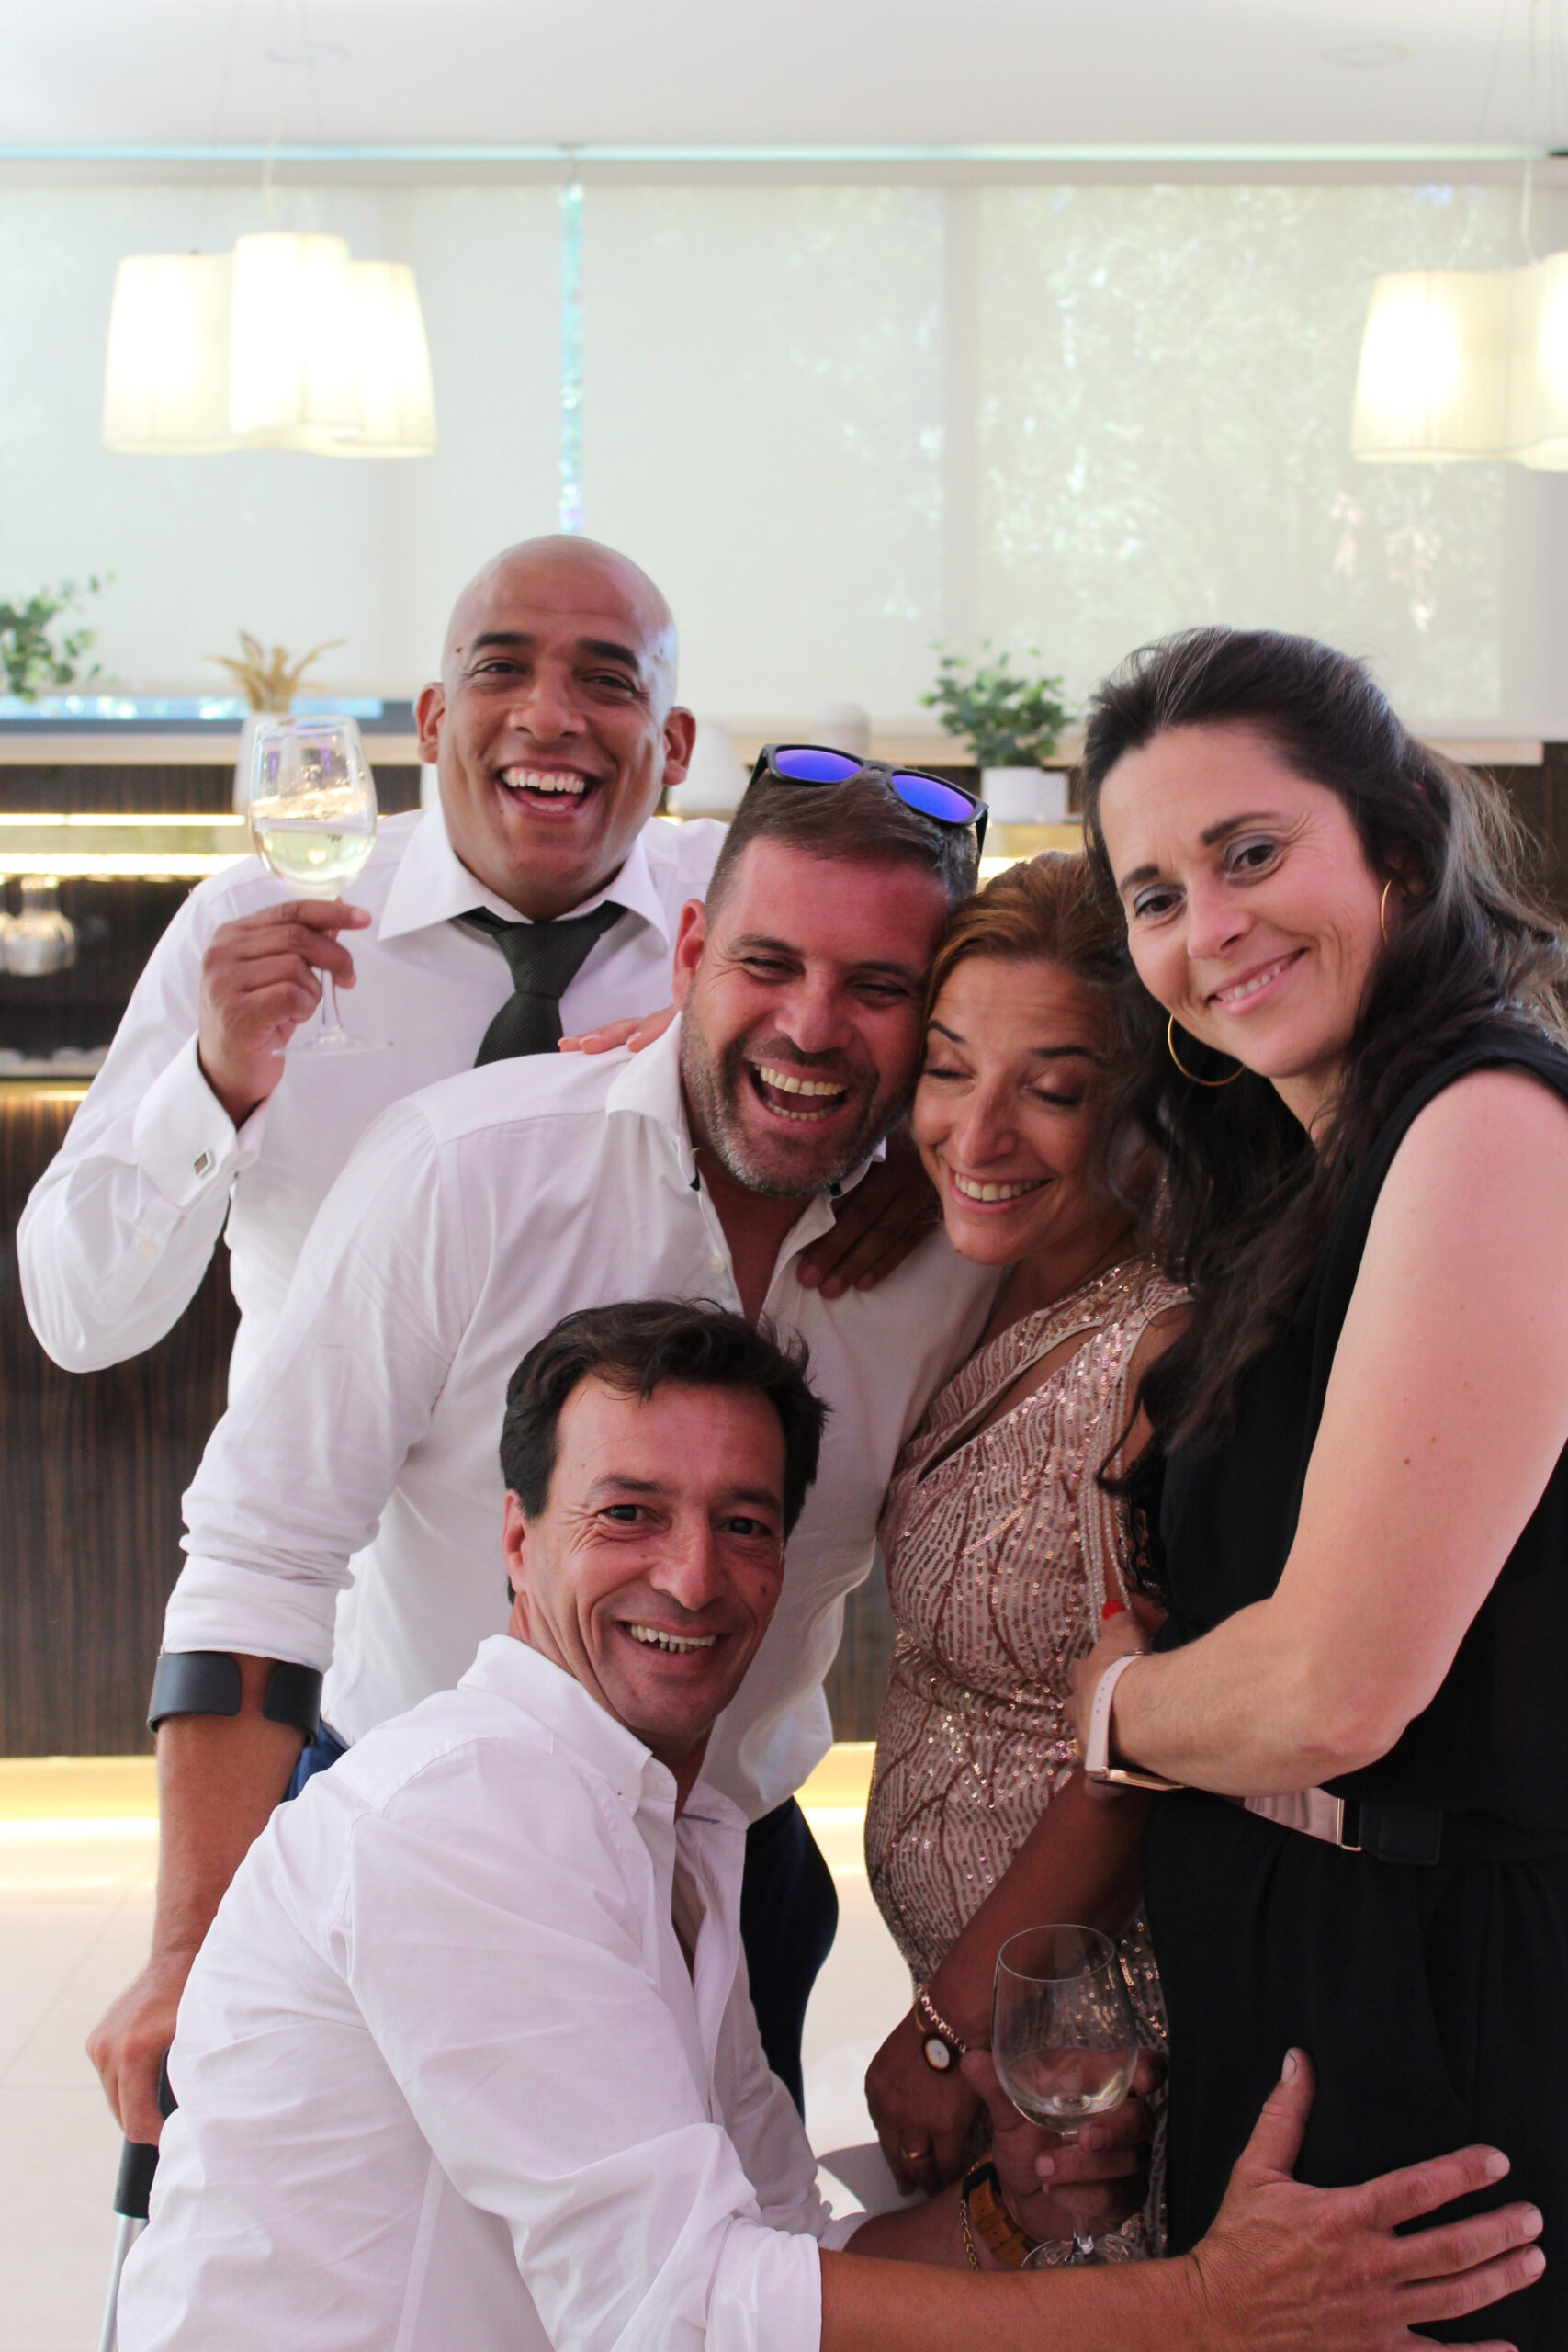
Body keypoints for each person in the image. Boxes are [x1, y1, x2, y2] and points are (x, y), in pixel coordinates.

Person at [115, 1297, 1546, 2352]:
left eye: (743, 1525)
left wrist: (1011, 2216)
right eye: (627, 1514)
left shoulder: (674, 1828)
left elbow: (775, 2248)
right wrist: (1209, 2311)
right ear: (513, 1538)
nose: (692, 1577)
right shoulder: (467, 1813)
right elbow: (683, 2313)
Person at [88, 760, 998, 2147]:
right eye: (764, 964)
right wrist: (188, 1944)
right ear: (690, 953)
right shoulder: (466, 1167)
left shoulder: (962, 1243)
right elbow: (263, 1547)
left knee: (713, 2259)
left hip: (729, 1876)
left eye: (878, 988)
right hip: (420, 1858)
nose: (811, 1027)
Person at [1067, 625, 1568, 2349]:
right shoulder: (1310, 1173)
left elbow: (1336, 1689)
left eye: (1251, 853)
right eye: (1153, 894)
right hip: (1310, 1960)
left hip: (1437, 2001)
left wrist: (1114, 1710)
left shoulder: (1488, 1123)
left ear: (1397, 853)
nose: (1206, 928)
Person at [18, 538, 916, 1388]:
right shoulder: (246, 922)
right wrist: (213, 1087)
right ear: (432, 721)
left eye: (607, 680)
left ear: (674, 744)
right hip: (327, 1501)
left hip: (661, 1491)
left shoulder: (762, 919)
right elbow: (79, 1323)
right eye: (499, 669)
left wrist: (907, 1150)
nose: (548, 717)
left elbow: (956, 1028)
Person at [861, 856, 1186, 2243]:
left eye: (1049, 1090)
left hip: (1088, 2042)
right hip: (995, 2013)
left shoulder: (1155, 1350)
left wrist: (951, 2029)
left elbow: (1143, 1757)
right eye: (947, 1071)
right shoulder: (973, 1278)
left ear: (1147, 1105)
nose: (976, 1132)